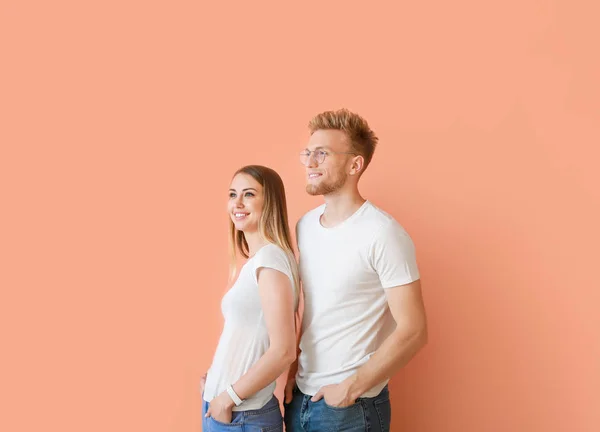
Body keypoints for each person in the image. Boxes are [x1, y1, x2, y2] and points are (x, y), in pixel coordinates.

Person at [284, 109, 428, 432]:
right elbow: (310, 312)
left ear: (354, 164)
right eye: (308, 153)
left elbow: (414, 329)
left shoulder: (383, 233)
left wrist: (351, 388)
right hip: (301, 400)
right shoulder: (304, 227)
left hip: (351, 409)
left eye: (322, 154)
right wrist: (294, 373)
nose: (310, 162)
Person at [200, 165, 300, 431]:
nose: (238, 203)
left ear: (270, 202)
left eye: (249, 194)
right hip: (225, 411)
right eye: (233, 194)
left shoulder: (271, 260)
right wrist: (214, 379)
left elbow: (284, 350)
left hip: (241, 415)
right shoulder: (258, 260)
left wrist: (227, 398)